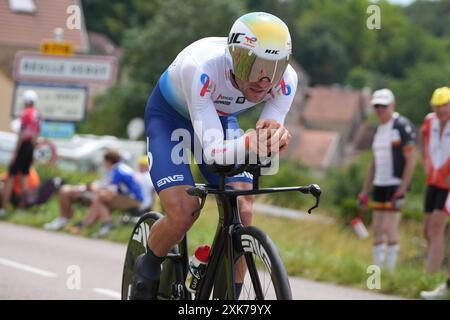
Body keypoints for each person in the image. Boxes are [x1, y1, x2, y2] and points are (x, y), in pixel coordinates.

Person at [131, 12, 297, 299]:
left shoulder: (286, 81)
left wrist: (273, 138)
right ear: (234, 57)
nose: (264, 80)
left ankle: (226, 297)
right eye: (254, 65)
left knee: (243, 211)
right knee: (184, 210)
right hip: (169, 118)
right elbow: (214, 153)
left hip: (218, 119)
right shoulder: (203, 68)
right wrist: (250, 142)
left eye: (275, 67)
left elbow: (265, 132)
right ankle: (147, 267)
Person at [358, 88, 416, 272]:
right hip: (379, 184)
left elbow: (411, 159)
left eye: (384, 105)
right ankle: (376, 273)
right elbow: (373, 163)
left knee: (390, 228)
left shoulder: (401, 125)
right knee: (377, 229)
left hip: (395, 184)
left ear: (392, 105)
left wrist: (402, 188)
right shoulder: (377, 129)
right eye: (377, 106)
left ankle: (389, 272)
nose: (380, 109)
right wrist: (364, 191)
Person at [66, 149, 144, 238]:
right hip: (133, 198)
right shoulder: (121, 167)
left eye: (104, 162)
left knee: (101, 197)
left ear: (108, 161)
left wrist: (90, 189)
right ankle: (86, 224)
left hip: (133, 199)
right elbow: (106, 184)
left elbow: (111, 190)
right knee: (100, 200)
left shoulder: (117, 170)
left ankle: (103, 224)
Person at [419, 86, 450, 300]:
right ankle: (434, 272)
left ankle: (430, 275)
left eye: (445, 106)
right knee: (427, 230)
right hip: (433, 180)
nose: (441, 110)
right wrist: (426, 163)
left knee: (437, 227)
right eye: (438, 106)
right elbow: (423, 140)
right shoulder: (429, 120)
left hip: (448, 183)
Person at [0, 90, 40, 216]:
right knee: (24, 177)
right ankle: (22, 208)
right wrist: (32, 150)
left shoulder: (26, 114)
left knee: (11, 177)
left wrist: (16, 152)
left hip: (23, 146)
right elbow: (36, 135)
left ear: (26, 101)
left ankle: (4, 208)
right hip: (30, 146)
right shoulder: (37, 115)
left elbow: (21, 134)